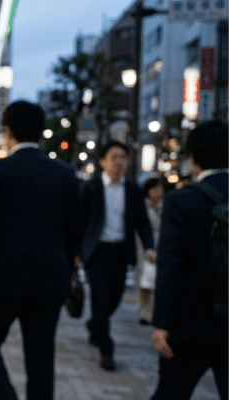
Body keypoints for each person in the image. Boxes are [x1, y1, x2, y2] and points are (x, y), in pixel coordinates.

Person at [0, 101, 78, 400]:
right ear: (40, 131)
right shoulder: (65, 173)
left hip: (4, 276)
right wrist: (68, 271)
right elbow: (73, 232)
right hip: (51, 278)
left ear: (8, 131)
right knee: (41, 357)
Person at [150, 120, 228, 400]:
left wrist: (162, 323)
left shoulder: (182, 200)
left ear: (192, 157)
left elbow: (170, 267)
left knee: (172, 393)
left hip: (192, 321)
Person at [78, 140, 155, 371]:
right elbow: (78, 222)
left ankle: (95, 325)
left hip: (121, 252)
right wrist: (76, 252)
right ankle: (106, 350)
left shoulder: (132, 189)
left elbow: (143, 222)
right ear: (102, 161)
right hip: (97, 252)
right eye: (113, 157)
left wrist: (149, 247)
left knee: (115, 298)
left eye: (122, 157)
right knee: (100, 299)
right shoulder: (90, 188)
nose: (119, 161)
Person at [135, 177, 164, 325]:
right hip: (142, 248)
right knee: (143, 283)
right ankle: (143, 310)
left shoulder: (165, 206)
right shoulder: (142, 206)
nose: (157, 192)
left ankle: (152, 312)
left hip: (161, 246)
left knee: (157, 283)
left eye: (160, 189)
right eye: (154, 189)